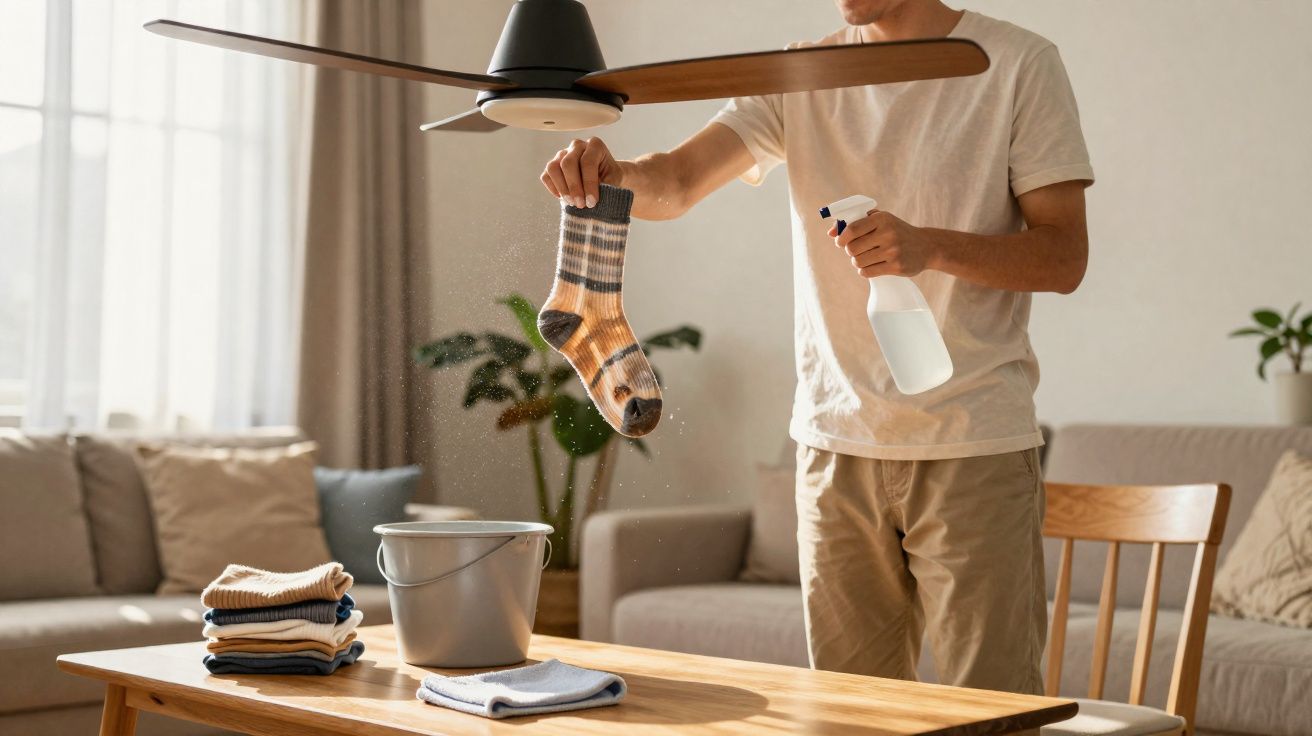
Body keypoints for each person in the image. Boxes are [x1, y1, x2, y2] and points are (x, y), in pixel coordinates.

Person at [540, 0, 1092, 695]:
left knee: (993, 711)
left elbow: (1063, 256)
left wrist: (930, 246)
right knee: (847, 715)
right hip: (833, 450)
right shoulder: (800, 72)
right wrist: (608, 174)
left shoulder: (1015, 62)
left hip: (972, 443)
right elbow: (675, 183)